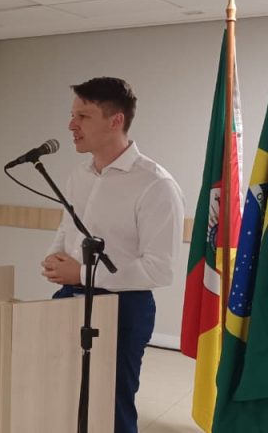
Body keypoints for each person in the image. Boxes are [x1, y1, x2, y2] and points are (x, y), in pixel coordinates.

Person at [41, 77, 184, 433]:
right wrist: (55, 255)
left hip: (124, 307)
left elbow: (159, 269)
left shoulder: (156, 185)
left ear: (115, 120)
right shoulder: (80, 175)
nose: (71, 125)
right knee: (60, 396)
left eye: (83, 116)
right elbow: (68, 227)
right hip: (70, 297)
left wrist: (82, 274)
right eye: (72, 115)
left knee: (111, 406)